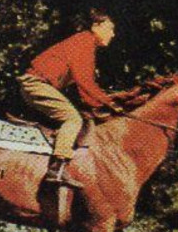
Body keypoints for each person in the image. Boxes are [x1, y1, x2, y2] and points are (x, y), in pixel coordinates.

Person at [19, 10, 119, 188]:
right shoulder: (84, 42)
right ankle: (56, 168)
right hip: (36, 84)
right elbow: (85, 82)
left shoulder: (85, 43)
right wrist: (109, 103)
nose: (113, 34)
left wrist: (99, 104)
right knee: (72, 119)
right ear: (96, 26)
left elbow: (83, 91)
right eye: (110, 28)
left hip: (38, 84)